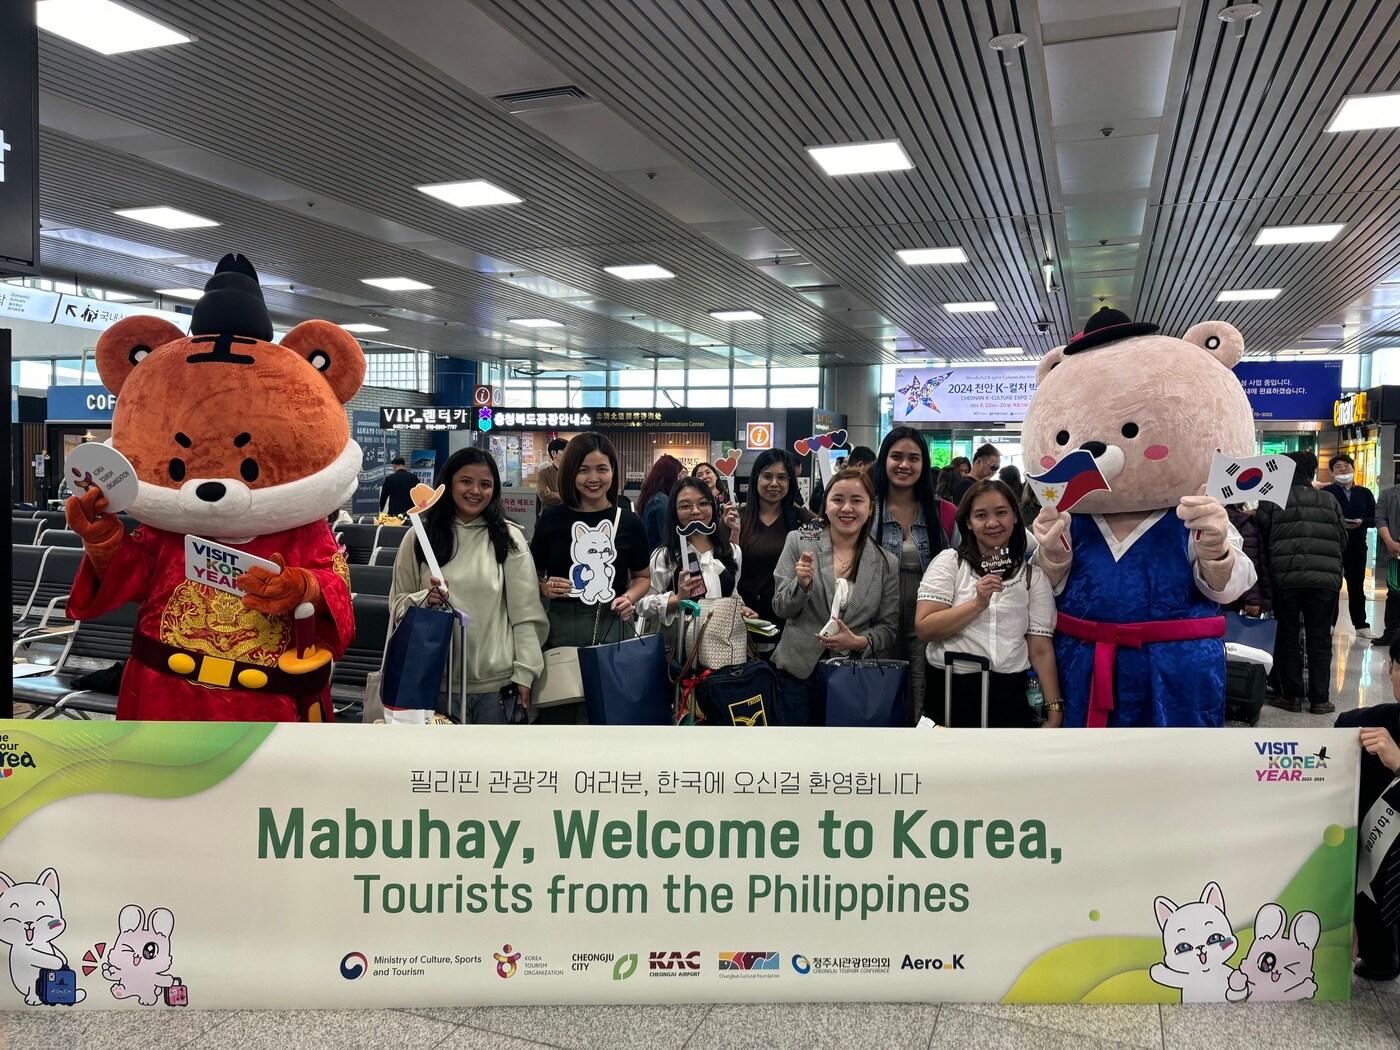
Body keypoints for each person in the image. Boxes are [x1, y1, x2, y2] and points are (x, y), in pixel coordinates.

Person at [390, 448, 547, 723]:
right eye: (466, 481)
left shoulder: (508, 539)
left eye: (485, 484)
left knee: (492, 766)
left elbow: (526, 616)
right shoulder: (418, 538)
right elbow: (397, 606)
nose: (475, 491)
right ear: (448, 483)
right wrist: (425, 599)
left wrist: (525, 672)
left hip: (497, 689)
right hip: (429, 684)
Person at [915, 479, 1063, 728]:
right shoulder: (950, 563)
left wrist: (1054, 708)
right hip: (951, 689)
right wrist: (977, 604)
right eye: (981, 515)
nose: (993, 523)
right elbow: (925, 628)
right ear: (969, 523)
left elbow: (1040, 649)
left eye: (1001, 513)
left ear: (1015, 517)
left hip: (1009, 694)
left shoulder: (1031, 577)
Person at [531, 433, 652, 721]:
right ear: (570, 472)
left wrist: (629, 597)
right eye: (583, 470)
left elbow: (642, 577)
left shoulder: (629, 523)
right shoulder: (551, 519)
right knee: (561, 721)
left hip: (612, 632)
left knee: (612, 721)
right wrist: (545, 588)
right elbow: (530, 575)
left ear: (613, 471)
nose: (593, 478)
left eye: (602, 469)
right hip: (560, 634)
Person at [771, 468, 899, 726]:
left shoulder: (886, 562)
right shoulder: (798, 543)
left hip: (853, 677)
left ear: (871, 508)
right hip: (796, 674)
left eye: (857, 500)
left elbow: (889, 628)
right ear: (826, 505)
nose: (847, 508)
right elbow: (780, 607)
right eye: (838, 499)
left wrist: (858, 641)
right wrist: (802, 586)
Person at [870, 427, 951, 724]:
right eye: (897, 457)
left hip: (928, 608)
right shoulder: (866, 509)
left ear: (924, 464)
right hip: (877, 609)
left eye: (913, 458)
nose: (904, 465)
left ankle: (918, 754)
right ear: (884, 460)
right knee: (880, 680)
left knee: (922, 682)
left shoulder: (943, 513)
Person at [1256, 451, 1347, 715]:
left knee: (1288, 635)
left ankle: (1292, 696)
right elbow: (1342, 539)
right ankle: (1320, 699)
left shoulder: (1272, 499)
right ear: (1311, 472)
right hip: (1324, 579)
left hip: (1286, 578)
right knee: (1320, 638)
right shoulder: (1329, 500)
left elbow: (1262, 536)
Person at [1336, 643, 1400, 980]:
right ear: (1390, 668)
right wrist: (1342, 914)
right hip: (1377, 884)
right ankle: (1377, 946)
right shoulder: (1360, 727)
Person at [638, 475, 750, 636]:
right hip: (678, 650)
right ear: (674, 512)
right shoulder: (665, 556)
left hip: (720, 649)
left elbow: (733, 593)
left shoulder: (731, 551)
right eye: (685, 506)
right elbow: (642, 605)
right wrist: (676, 600)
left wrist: (741, 608)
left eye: (703, 503)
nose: (696, 511)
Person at [737, 449, 816, 626]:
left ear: (790, 482)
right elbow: (724, 569)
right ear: (756, 478)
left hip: (790, 617)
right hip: (743, 615)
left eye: (782, 477)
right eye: (767, 476)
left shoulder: (804, 519)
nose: (774, 483)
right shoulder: (737, 518)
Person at [1324, 453, 1376, 636]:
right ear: (1332, 472)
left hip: (1357, 546)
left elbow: (1374, 518)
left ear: (1353, 470)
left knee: (1357, 587)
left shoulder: (1364, 493)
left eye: (1347, 466)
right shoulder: (1327, 493)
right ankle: (1329, 623)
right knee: (1332, 588)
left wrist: (1362, 521)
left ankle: (1361, 625)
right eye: (1338, 467)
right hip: (1333, 547)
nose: (1343, 469)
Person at [1225, 504, 1270, 617]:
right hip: (1238, 596)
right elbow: (1249, 562)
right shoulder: (1243, 523)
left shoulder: (1206, 521)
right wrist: (1252, 599)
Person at [637, 455, 686, 550]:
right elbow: (668, 539)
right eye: (679, 476)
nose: (680, 480)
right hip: (660, 559)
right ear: (670, 476)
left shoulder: (651, 497)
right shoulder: (662, 501)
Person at [1375, 478, 1400, 647]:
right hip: (1395, 550)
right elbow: (1380, 519)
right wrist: (1390, 542)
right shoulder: (1388, 494)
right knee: (1395, 593)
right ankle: (1391, 632)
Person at [535, 438, 567, 515]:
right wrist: (566, 497)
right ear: (553, 453)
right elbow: (544, 496)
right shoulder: (544, 473)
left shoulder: (572, 472)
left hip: (569, 515)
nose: (568, 453)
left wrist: (553, 494)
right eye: (564, 450)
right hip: (550, 516)